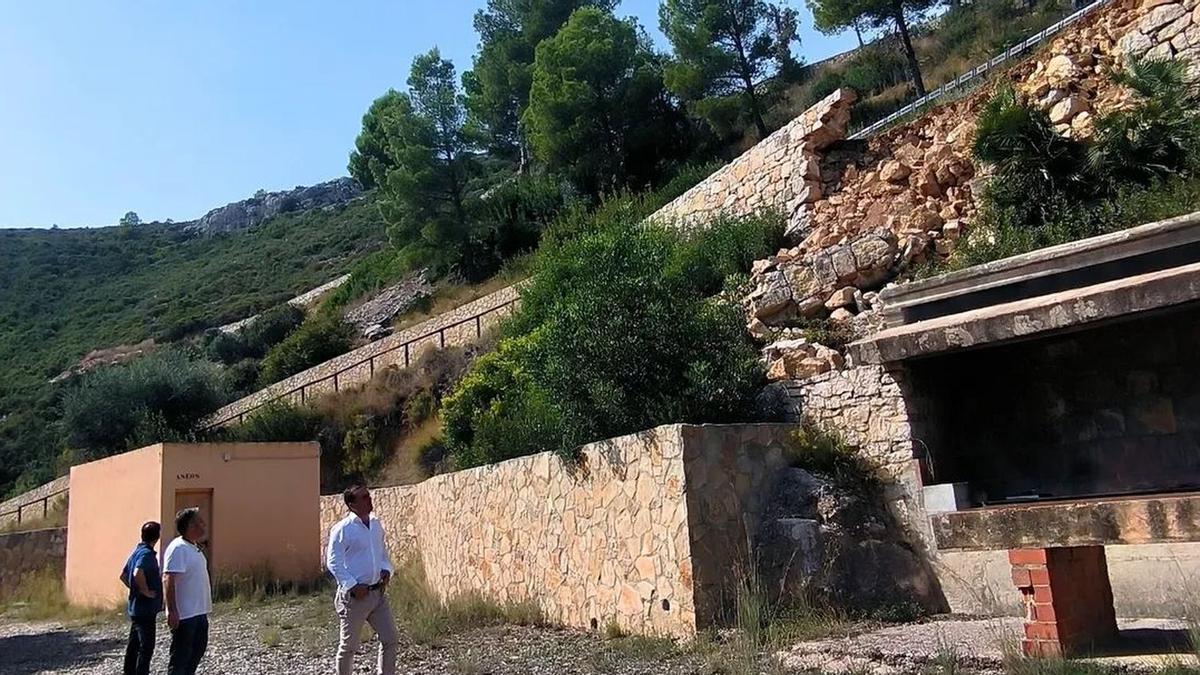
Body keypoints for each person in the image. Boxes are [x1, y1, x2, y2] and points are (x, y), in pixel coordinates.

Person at [326, 484, 398, 675]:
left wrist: (386, 570)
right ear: (351, 504)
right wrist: (352, 585)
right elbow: (333, 562)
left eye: (369, 495)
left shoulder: (376, 524)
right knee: (348, 647)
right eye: (364, 497)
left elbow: (382, 554)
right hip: (355, 598)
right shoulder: (343, 529)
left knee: (390, 638)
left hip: (378, 594)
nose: (369, 499)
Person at [163, 507, 212, 675]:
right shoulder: (178, 548)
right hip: (185, 615)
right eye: (199, 522)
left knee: (195, 655)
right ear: (191, 526)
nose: (203, 524)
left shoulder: (193, 547)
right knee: (180, 660)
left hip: (199, 612)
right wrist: (172, 610)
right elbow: (169, 579)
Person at [118, 521, 162, 675]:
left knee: (134, 645)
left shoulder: (136, 552)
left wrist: (135, 588)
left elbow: (124, 576)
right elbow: (137, 572)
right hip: (145, 609)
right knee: (146, 646)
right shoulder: (146, 554)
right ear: (157, 536)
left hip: (136, 608)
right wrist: (145, 591)